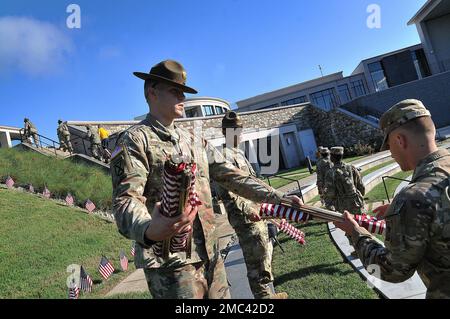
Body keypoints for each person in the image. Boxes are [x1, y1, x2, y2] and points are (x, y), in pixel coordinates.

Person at [110, 60, 302, 299]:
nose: (182, 96)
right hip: (172, 264)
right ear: (152, 92)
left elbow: (233, 176)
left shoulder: (193, 140)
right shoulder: (135, 140)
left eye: (183, 91)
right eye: (174, 90)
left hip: (211, 254)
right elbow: (126, 200)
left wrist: (278, 197)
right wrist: (148, 230)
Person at [334, 99, 450, 299]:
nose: (391, 154)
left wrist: (356, 233)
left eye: (388, 146)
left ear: (400, 140)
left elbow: (392, 272)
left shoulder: (413, 198)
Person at [213, 111, 288, 299]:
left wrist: (268, 204)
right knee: (255, 256)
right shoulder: (222, 156)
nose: (238, 134)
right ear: (224, 131)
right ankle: (263, 297)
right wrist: (248, 209)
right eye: (233, 130)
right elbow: (228, 191)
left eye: (239, 129)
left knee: (263, 251)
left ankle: (266, 293)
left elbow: (253, 181)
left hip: (257, 211)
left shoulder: (239, 153)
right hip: (244, 215)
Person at [323, 146, 365, 214]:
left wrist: (329, 204)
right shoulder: (351, 167)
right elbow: (361, 186)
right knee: (361, 223)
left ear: (332, 157)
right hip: (356, 203)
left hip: (343, 207)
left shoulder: (330, 173)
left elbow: (331, 193)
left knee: (347, 224)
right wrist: (360, 197)